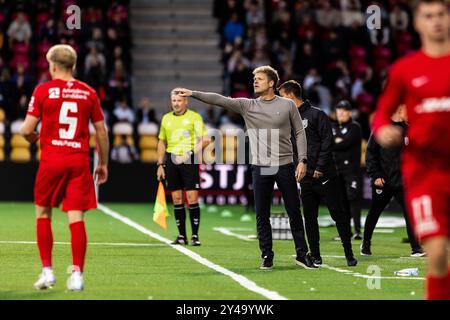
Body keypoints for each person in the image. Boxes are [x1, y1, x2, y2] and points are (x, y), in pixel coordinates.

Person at [175, 65, 316, 269]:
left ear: (271, 83)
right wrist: (193, 94)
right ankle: (267, 255)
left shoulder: (287, 105)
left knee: (294, 211)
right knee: (262, 214)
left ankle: (302, 254)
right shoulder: (247, 105)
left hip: (285, 165)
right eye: (254, 78)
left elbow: (299, 133)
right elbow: (219, 99)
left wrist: (302, 160)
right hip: (260, 167)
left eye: (259, 78)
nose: (255, 81)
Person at [373, 0, 450, 300]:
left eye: (442, 14)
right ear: (417, 23)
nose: (436, 21)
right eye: (428, 16)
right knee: (438, 256)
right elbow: (381, 114)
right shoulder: (406, 70)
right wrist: (384, 130)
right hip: (425, 176)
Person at [20, 44, 109, 291]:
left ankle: (47, 272)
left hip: (52, 160)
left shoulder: (43, 90)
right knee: (76, 218)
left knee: (43, 213)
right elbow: (101, 131)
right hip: (78, 160)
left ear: (53, 66)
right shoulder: (88, 92)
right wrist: (103, 163)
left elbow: (26, 130)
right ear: (74, 66)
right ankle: (77, 275)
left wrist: (37, 139)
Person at [278, 80, 357, 267]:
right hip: (305, 178)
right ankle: (315, 255)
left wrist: (320, 168)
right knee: (310, 218)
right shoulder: (287, 120)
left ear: (290, 96)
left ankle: (349, 252)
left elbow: (327, 142)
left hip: (326, 175)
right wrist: (298, 167)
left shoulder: (316, 114)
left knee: (338, 214)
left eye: (281, 97)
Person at [363, 105, 425, 257]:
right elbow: (370, 155)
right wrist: (376, 175)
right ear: (398, 111)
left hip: (402, 182)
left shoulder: (409, 129)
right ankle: (365, 243)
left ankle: (416, 248)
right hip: (383, 181)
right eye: (406, 110)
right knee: (374, 213)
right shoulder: (382, 129)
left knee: (410, 213)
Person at [156, 90, 210, 246]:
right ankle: (181, 236)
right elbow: (161, 142)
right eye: (173, 100)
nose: (176, 103)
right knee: (177, 199)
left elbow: (205, 140)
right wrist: (160, 164)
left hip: (189, 160)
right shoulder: (166, 118)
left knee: (192, 198)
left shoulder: (194, 117)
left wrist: (189, 154)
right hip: (171, 160)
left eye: (179, 100)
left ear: (186, 101)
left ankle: (195, 236)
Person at [331, 100, 363, 240]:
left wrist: (337, 141)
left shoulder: (355, 127)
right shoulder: (333, 127)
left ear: (349, 113)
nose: (341, 114)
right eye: (339, 111)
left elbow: (346, 143)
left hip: (352, 170)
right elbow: (331, 143)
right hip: (338, 170)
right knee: (341, 201)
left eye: (344, 111)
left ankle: (357, 231)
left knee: (353, 199)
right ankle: (345, 231)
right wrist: (336, 141)